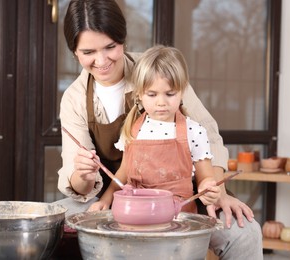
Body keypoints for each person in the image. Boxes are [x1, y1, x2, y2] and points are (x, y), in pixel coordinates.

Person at [57, 0, 262, 259]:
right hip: (118, 194)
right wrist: (84, 175)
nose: (101, 60)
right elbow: (78, 182)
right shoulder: (74, 98)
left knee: (246, 231)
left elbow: (208, 136)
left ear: (123, 40)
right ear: (74, 52)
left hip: (183, 194)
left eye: (110, 47)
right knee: (51, 222)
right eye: (88, 52)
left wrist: (217, 191)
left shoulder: (159, 68)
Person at [88, 45, 221, 214]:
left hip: (177, 218)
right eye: (152, 95)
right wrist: (105, 200)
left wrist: (208, 188)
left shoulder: (194, 131)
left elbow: (205, 177)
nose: (161, 102)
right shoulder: (132, 129)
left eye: (170, 94)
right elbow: (123, 173)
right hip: (136, 214)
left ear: (182, 91)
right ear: (140, 94)